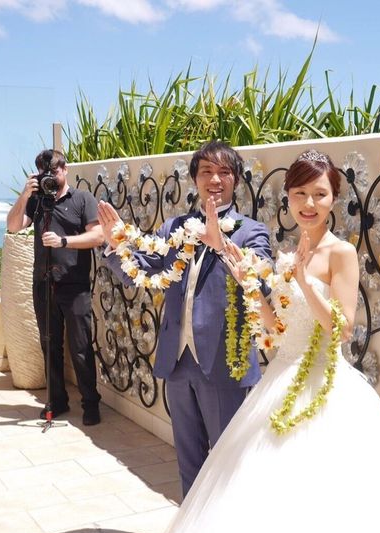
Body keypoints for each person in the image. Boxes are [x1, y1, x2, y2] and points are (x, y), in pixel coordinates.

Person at [145, 150, 380, 533]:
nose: (309, 204)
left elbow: (343, 328)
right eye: (299, 194)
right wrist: (250, 287)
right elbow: (277, 327)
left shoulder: (341, 254)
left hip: (327, 387)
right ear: (289, 198)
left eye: (319, 194)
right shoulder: (286, 254)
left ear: (333, 197)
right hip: (281, 379)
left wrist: (303, 282)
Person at [98, 140, 272, 497]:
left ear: (236, 180)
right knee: (189, 462)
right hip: (177, 362)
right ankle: (189, 528)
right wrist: (116, 244)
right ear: (195, 179)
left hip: (225, 364)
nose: (215, 179)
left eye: (224, 172)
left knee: (228, 463)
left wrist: (221, 245)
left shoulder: (251, 231)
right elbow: (140, 273)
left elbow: (262, 282)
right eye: (206, 171)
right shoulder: (175, 228)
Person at [6, 149, 104, 426]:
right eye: (45, 173)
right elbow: (13, 226)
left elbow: (98, 236)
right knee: (50, 345)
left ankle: (90, 403)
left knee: (81, 346)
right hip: (43, 284)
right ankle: (57, 401)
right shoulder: (37, 201)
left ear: (65, 169)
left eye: (55, 171)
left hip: (74, 285)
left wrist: (64, 242)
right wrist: (25, 194)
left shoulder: (82, 199)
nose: (51, 176)